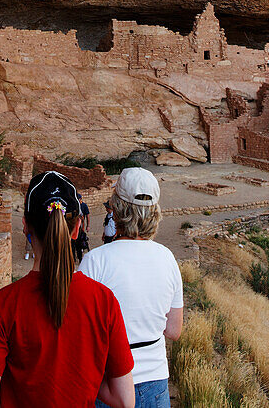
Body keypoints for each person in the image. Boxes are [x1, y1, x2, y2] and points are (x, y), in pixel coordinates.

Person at [0, 170, 135, 408]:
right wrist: (86, 374)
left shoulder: (2, 305)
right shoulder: (103, 300)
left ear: (26, 227)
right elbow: (125, 400)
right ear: (77, 228)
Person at [80, 168, 183, 408]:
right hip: (155, 380)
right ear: (154, 212)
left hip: (109, 381)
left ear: (116, 208)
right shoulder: (167, 258)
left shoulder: (95, 261)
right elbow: (174, 330)